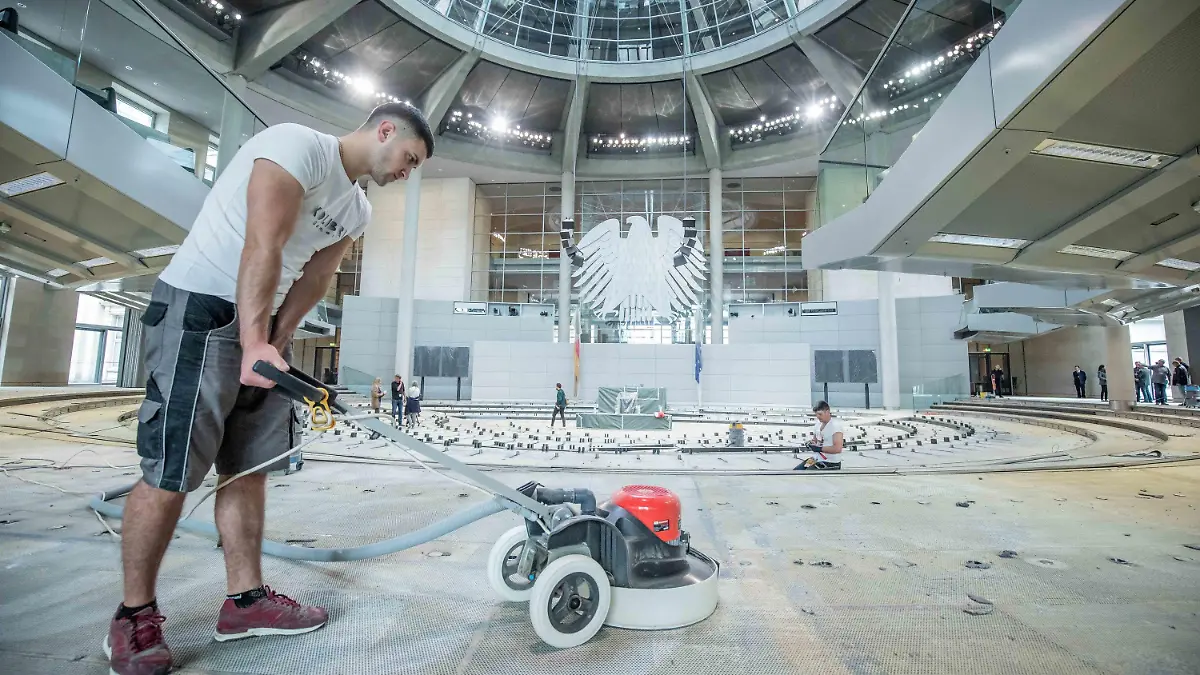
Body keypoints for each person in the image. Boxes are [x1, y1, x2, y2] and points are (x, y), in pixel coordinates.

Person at [106, 102, 433, 675]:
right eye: (409, 158)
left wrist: (275, 343)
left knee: (249, 466)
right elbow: (264, 243)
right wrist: (253, 341)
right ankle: (133, 616)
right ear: (384, 131)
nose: (408, 172)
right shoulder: (297, 146)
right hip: (203, 309)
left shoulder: (356, 208)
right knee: (174, 467)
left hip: (261, 327)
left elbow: (314, 277)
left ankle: (245, 602)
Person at [794, 400, 844, 470]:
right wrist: (811, 444)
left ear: (827, 412)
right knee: (796, 471)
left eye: (820, 414)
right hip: (816, 458)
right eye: (816, 414)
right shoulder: (818, 424)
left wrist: (819, 449)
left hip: (830, 462)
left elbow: (838, 448)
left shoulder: (835, 426)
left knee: (805, 475)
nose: (818, 416)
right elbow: (815, 440)